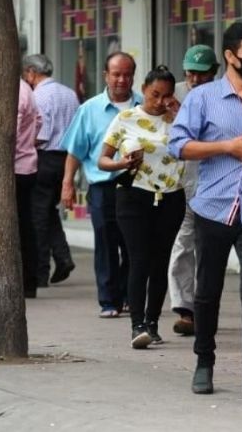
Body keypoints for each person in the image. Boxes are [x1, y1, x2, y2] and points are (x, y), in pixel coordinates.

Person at [169, 23, 242, 407]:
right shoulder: (202, 98)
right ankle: (204, 361)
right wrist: (226, 147)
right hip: (213, 207)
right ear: (230, 56)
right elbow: (178, 146)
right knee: (207, 293)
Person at [99, 67, 186, 349]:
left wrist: (180, 114)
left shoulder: (179, 119)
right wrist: (121, 164)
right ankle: (137, 324)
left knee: (161, 262)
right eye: (154, 95)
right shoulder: (126, 118)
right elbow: (102, 160)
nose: (160, 102)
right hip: (134, 196)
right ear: (144, 90)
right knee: (139, 259)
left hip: (171, 196)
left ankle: (152, 322)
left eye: (166, 96)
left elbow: (198, 143)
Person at [61, 52, 142, 318]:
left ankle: (130, 296)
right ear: (106, 75)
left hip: (138, 185)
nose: (121, 79)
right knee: (106, 241)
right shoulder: (90, 109)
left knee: (134, 242)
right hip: (103, 186)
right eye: (116, 74)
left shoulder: (145, 106)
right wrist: (68, 184)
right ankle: (109, 300)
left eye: (127, 74)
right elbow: (75, 150)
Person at [166, 47, 219, 336]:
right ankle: (185, 309)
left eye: (202, 73)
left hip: (215, 185)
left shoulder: (224, 97)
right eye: (190, 73)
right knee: (182, 244)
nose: (195, 79)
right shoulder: (172, 94)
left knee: (210, 250)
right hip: (181, 183)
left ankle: (206, 306)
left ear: (215, 71)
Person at [23, 54, 79, 288]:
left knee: (37, 215)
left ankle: (40, 271)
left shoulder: (38, 96)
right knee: (48, 211)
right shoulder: (70, 93)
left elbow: (41, 135)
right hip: (66, 159)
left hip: (45, 158)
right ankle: (63, 257)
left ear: (31, 73)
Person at [15, 79, 42, 298]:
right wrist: (28, 142)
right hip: (27, 163)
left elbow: (9, 133)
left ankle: (26, 280)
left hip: (15, 166)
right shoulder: (27, 89)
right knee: (27, 225)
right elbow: (39, 120)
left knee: (21, 228)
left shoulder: (14, 90)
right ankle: (30, 280)